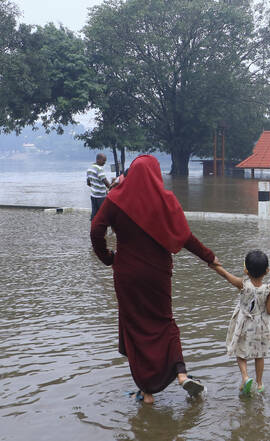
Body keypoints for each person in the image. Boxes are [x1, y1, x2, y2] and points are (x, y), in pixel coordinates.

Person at [90, 155, 222, 404]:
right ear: (156, 175)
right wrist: (209, 257)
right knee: (165, 322)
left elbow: (96, 230)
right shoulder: (166, 201)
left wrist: (108, 258)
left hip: (127, 273)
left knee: (134, 327)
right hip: (158, 274)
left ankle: (147, 392)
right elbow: (185, 237)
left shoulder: (116, 199)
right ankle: (181, 374)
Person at [212, 250, 270, 396]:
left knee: (241, 353)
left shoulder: (243, 284)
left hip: (245, 325)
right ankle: (259, 384)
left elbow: (226, 276)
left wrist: (214, 266)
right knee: (259, 356)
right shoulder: (268, 289)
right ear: (267, 270)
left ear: (246, 269)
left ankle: (245, 377)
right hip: (261, 327)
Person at [86, 153, 111, 220]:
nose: (104, 163)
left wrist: (94, 186)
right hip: (101, 196)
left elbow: (88, 183)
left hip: (93, 195)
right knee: (103, 214)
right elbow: (105, 181)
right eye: (103, 160)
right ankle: (103, 229)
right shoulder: (99, 169)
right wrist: (112, 188)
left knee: (94, 213)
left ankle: (94, 228)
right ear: (98, 159)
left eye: (105, 161)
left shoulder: (89, 168)